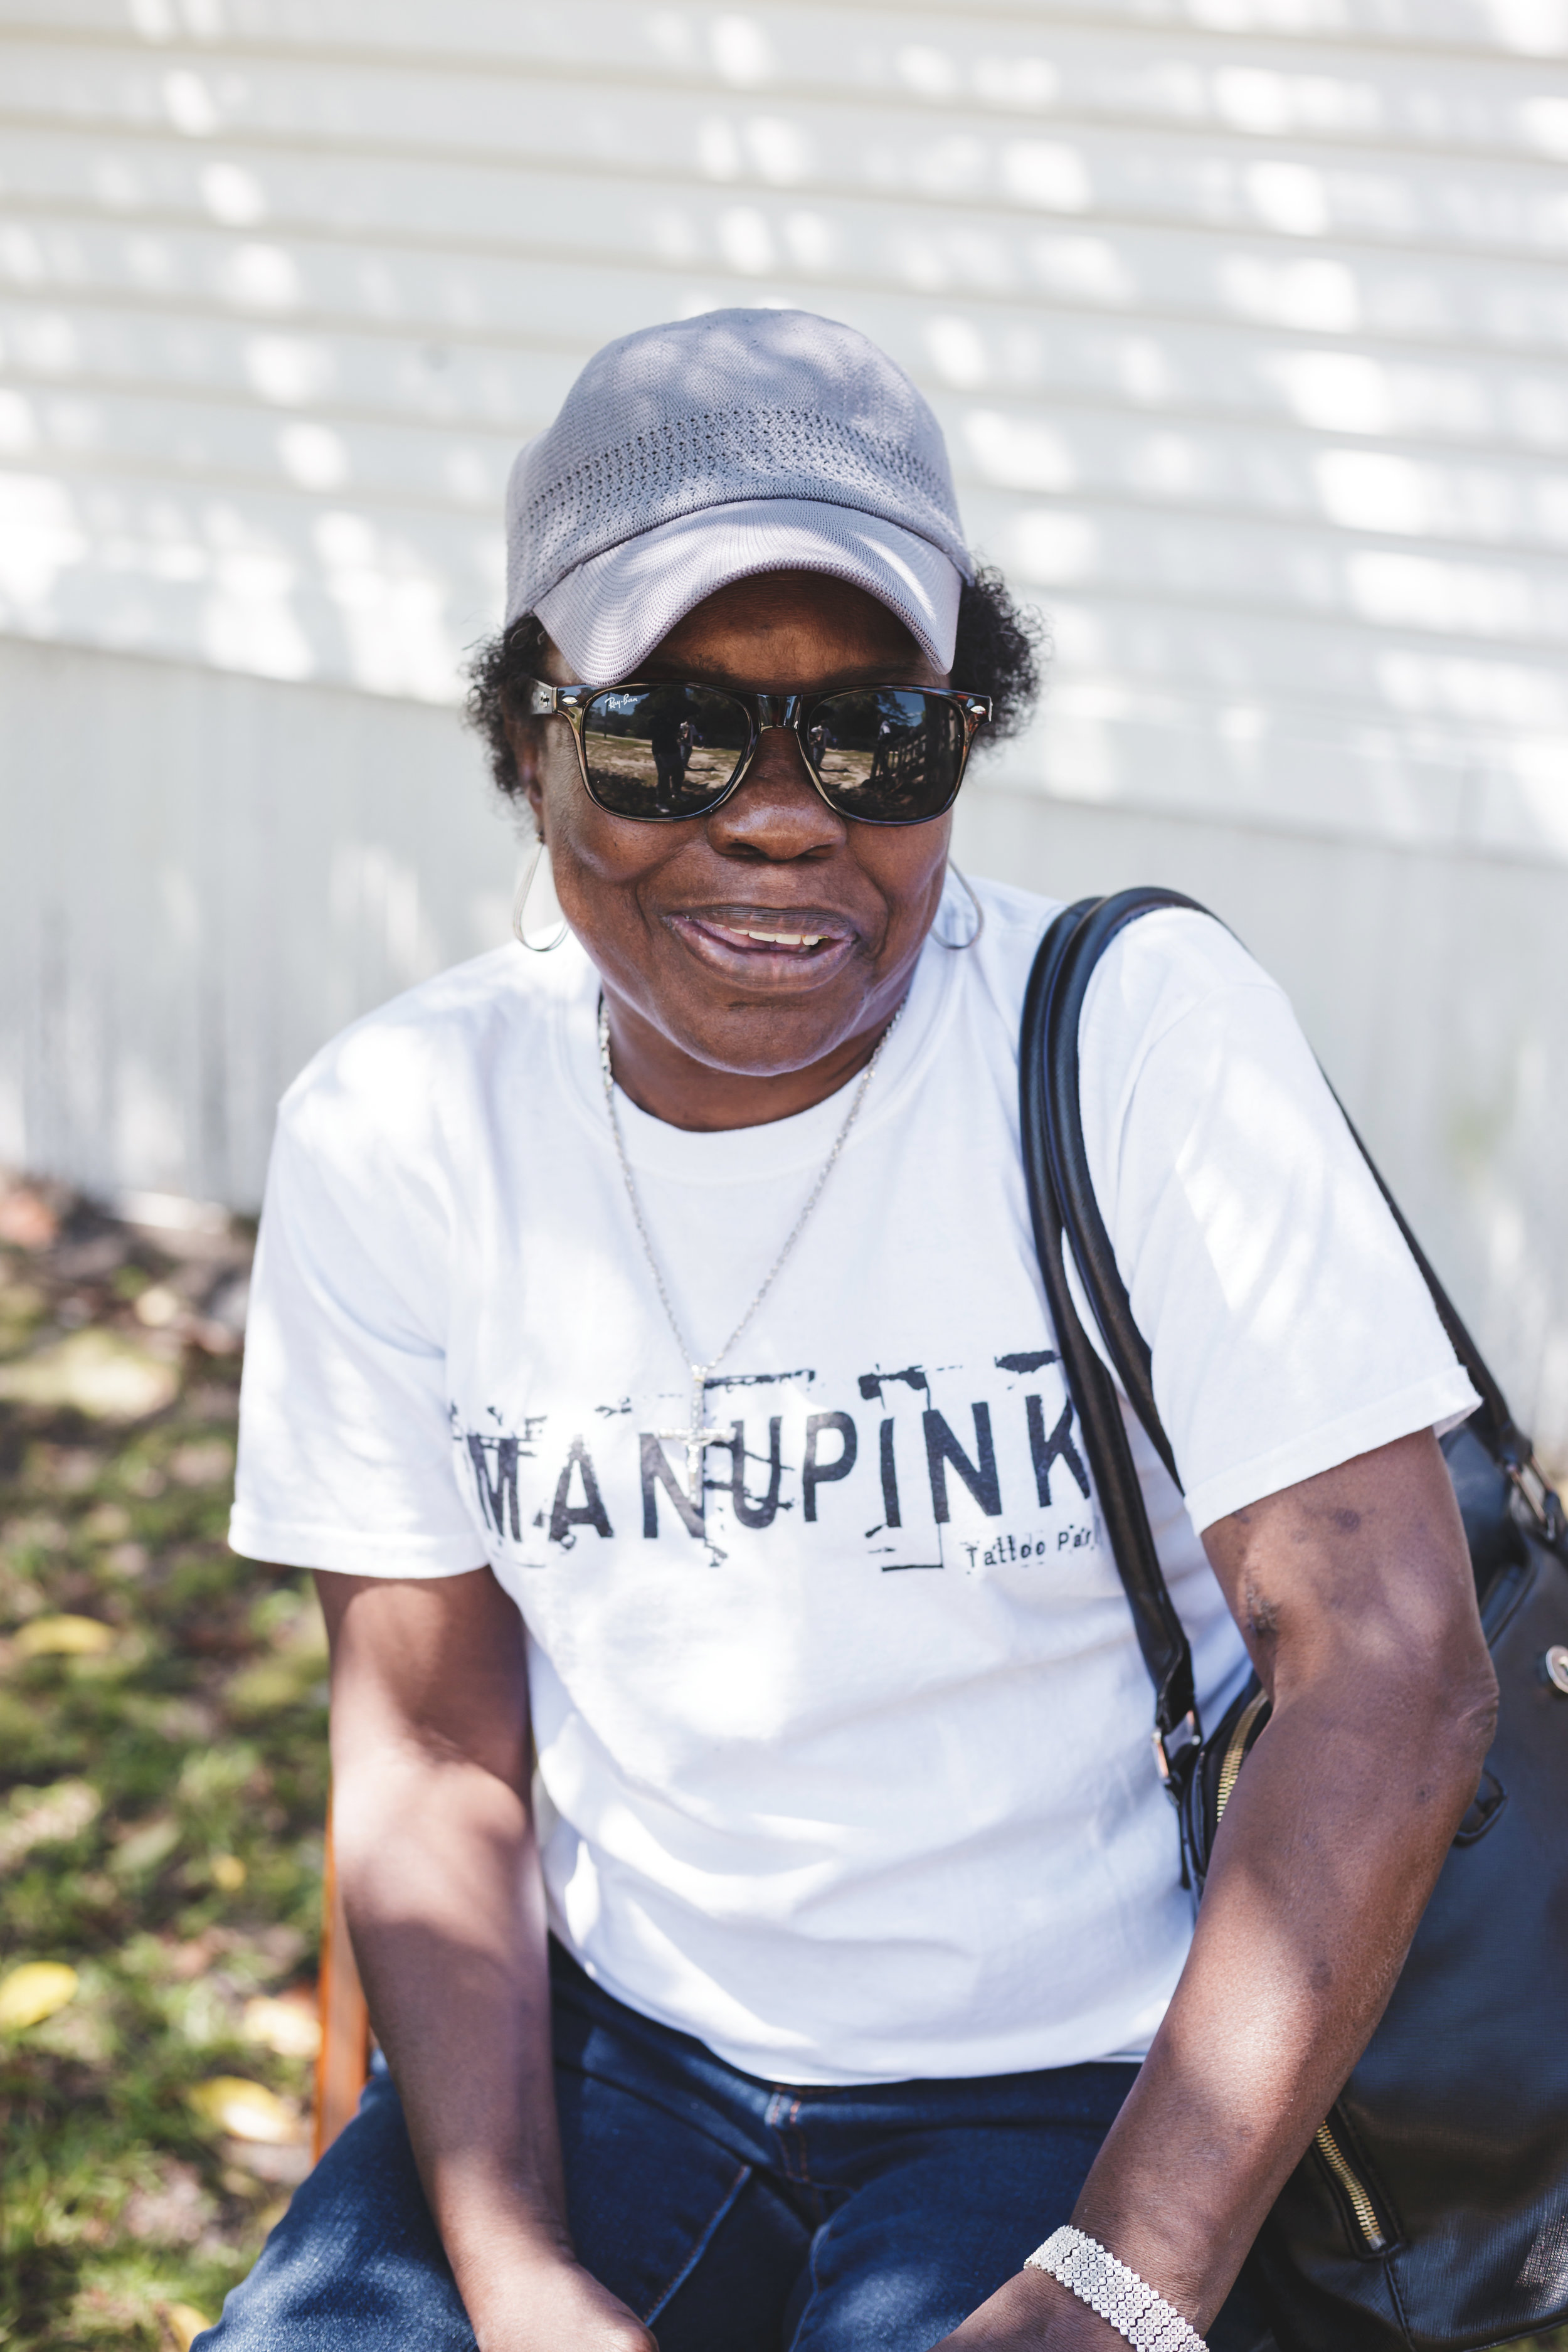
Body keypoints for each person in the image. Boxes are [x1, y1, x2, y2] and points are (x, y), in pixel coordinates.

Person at [209, 309, 1495, 2352]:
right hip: (620, 2063)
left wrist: (1118, 2284)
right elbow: (436, 1746)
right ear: (530, 739)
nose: (783, 816)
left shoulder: (1137, 1043)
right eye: (672, 733)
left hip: (1084, 2083)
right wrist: (511, 2269)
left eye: (877, 735)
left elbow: (1392, 1670)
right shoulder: (401, 1129)